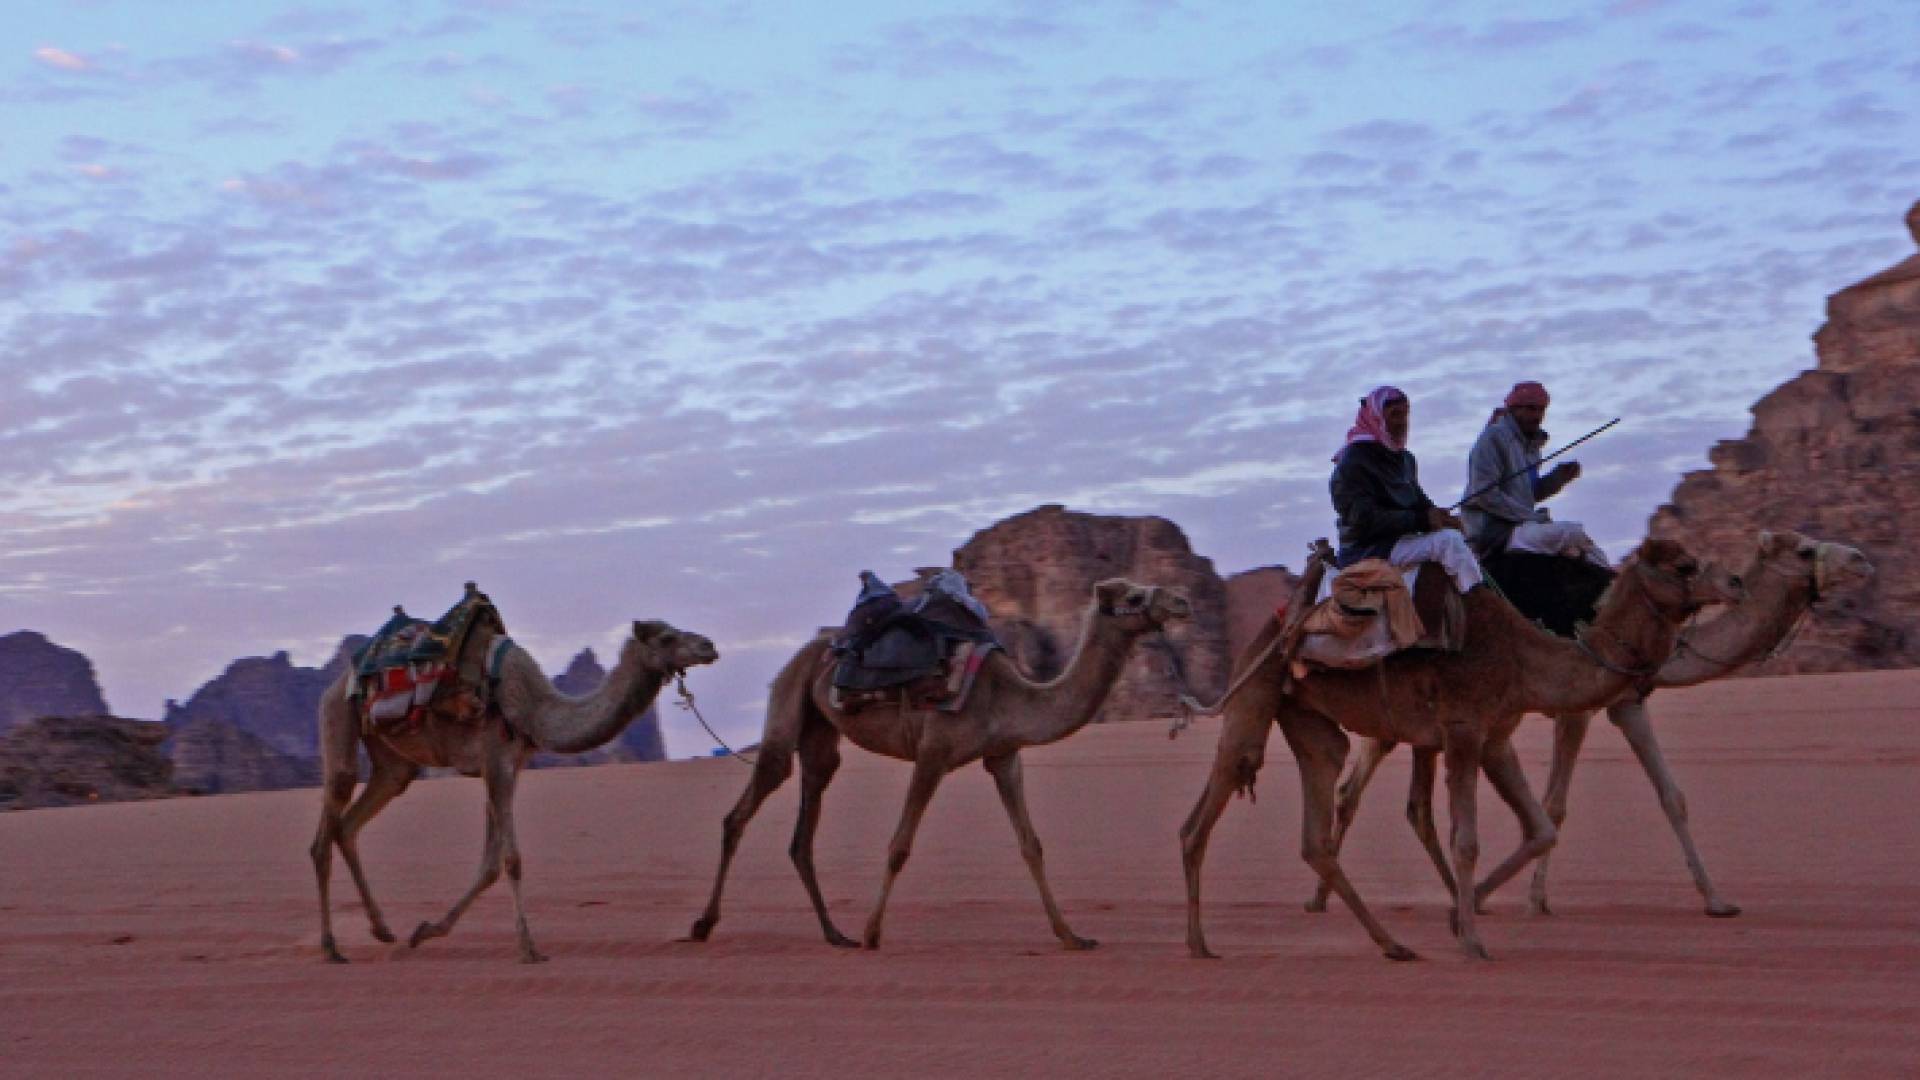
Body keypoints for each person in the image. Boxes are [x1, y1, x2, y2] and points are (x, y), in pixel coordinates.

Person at [1329, 386, 1482, 592]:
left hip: (1402, 542)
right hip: (1367, 550)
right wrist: (1422, 520)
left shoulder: (1405, 459)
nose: (1402, 422)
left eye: (1405, 415)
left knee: (1456, 535)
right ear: (1376, 417)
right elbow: (1363, 519)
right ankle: (1476, 598)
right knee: (1449, 542)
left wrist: (1443, 518)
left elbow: (1419, 502)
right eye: (1395, 415)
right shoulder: (1352, 462)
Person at [1461, 381, 1609, 569]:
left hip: (1521, 526)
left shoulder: (1532, 448)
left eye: (1541, 410)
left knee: (1594, 553)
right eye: (1531, 409)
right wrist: (1531, 517)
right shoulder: (1494, 437)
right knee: (1572, 532)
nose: (1538, 416)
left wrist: (1558, 478)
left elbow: (1529, 494)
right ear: (1514, 409)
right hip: (1494, 532)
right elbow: (1484, 495)